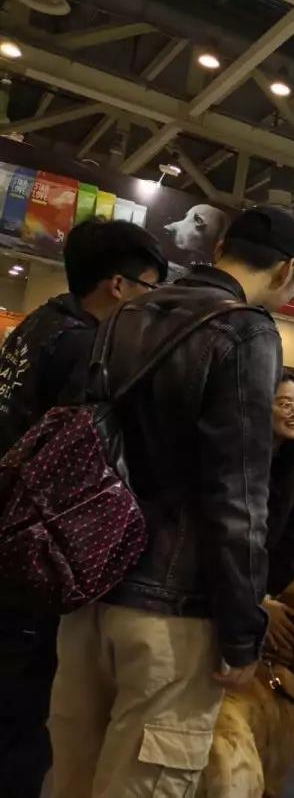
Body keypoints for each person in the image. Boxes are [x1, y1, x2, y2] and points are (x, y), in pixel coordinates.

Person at [48, 205, 294, 796]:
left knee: (71, 779)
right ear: (288, 271)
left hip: (89, 589)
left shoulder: (128, 311)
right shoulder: (249, 330)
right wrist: (243, 630)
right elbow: (237, 495)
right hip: (172, 615)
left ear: (219, 250)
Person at [0, 218, 167, 798]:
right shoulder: (85, 347)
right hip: (31, 555)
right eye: (150, 289)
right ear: (119, 285)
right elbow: (78, 461)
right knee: (21, 724)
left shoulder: (38, 326)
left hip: (10, 537)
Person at [262, 372, 294, 658]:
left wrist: (281, 598)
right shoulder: (240, 456)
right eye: (285, 404)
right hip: (226, 589)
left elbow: (292, 536)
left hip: (265, 588)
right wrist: (257, 600)